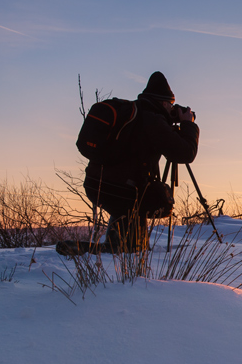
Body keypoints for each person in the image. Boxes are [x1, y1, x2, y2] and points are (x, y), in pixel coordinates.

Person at [60, 71, 199, 255]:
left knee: (126, 217)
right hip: (124, 192)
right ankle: (80, 249)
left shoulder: (135, 112)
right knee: (132, 251)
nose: (171, 110)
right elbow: (184, 153)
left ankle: (114, 243)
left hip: (98, 184)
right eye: (171, 105)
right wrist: (188, 125)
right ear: (164, 102)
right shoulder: (152, 120)